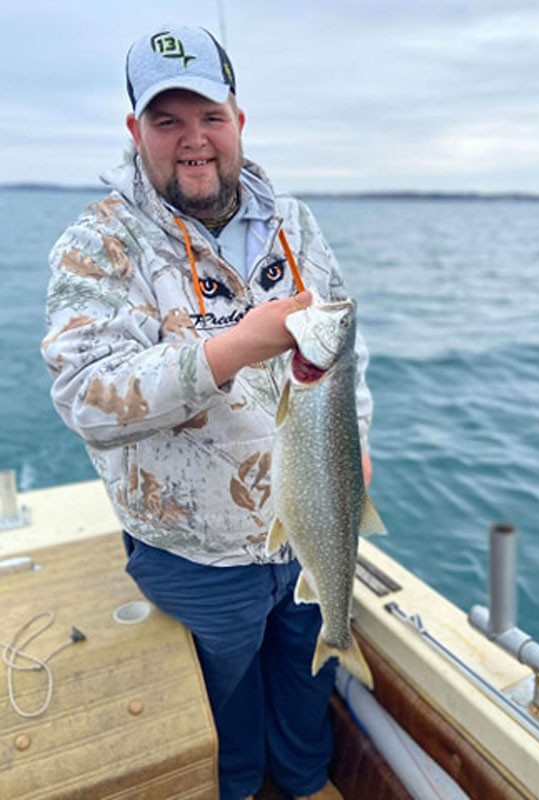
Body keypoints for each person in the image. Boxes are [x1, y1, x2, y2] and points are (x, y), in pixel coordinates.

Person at [42, 25, 373, 800]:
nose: (194, 141)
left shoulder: (294, 222)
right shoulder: (99, 243)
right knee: (224, 699)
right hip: (195, 551)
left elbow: (347, 352)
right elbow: (86, 394)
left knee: (303, 679)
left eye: (209, 117)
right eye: (168, 121)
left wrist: (357, 443)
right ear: (136, 131)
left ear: (238, 119)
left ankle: (300, 781)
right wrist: (230, 349)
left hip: (309, 524)